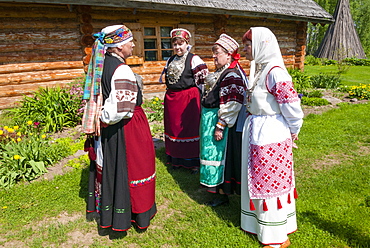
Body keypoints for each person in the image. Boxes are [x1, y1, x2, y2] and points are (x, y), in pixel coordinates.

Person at [82, 24, 156, 232]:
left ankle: (115, 210)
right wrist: (105, 118)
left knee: (116, 168)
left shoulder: (103, 64)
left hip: (113, 127)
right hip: (126, 127)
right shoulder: (121, 69)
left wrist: (102, 120)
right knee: (133, 167)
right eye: (129, 41)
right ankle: (135, 214)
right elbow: (121, 109)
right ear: (118, 46)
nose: (133, 44)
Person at [240, 27, 304, 248]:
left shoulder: (275, 72)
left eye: (248, 44)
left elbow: (292, 106)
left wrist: (293, 130)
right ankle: (257, 224)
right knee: (256, 179)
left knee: (269, 182)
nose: (245, 48)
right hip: (256, 129)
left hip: (271, 132)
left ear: (261, 45)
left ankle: (276, 236)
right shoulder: (258, 69)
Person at [199, 34, 247, 206]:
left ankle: (220, 192)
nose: (213, 56)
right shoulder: (223, 72)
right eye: (213, 52)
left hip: (218, 122)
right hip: (210, 119)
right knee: (212, 154)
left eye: (217, 52)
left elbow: (232, 103)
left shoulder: (231, 75)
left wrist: (220, 125)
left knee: (218, 156)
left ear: (228, 54)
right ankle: (215, 189)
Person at [161, 28, 208, 173]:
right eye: (174, 44)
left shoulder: (194, 59)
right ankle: (176, 159)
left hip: (188, 100)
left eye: (180, 44)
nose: (177, 47)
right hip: (173, 99)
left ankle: (192, 161)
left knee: (188, 128)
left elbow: (203, 81)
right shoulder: (170, 60)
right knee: (174, 128)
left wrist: (198, 97)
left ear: (187, 44)